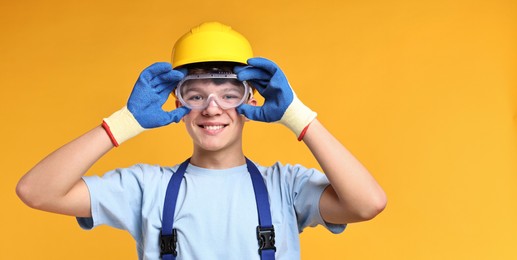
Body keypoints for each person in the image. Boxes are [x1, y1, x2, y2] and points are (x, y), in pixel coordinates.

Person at [16, 21, 387, 260]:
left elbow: (368, 203)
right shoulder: (147, 188)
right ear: (176, 102)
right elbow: (37, 191)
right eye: (196, 95)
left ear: (252, 99)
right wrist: (122, 124)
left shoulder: (285, 186)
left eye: (229, 94)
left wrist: (299, 117)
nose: (212, 108)